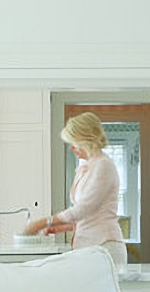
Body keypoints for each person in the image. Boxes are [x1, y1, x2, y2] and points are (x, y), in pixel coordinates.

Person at [24, 112, 127, 271]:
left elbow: (84, 208)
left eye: (74, 143)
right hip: (87, 247)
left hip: (104, 246)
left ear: (86, 140)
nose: (71, 147)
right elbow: (89, 215)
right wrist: (62, 227)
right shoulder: (86, 166)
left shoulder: (104, 165)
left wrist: (43, 222)